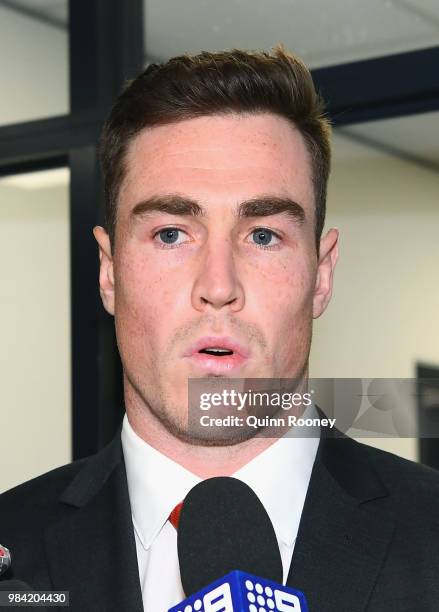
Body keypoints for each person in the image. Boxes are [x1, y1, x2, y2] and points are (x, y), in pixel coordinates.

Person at [1, 45, 439, 611]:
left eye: (262, 235)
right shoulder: (15, 546)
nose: (218, 284)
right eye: (170, 234)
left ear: (321, 275)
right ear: (109, 272)